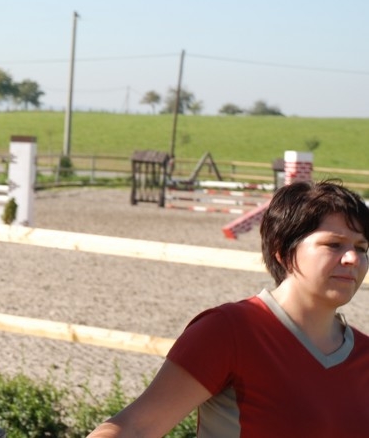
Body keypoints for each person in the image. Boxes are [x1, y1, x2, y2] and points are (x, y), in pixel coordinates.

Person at [87, 180, 369, 437]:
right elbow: (134, 427)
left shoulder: (364, 354)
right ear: (282, 251)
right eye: (333, 244)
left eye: (361, 248)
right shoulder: (229, 331)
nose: (353, 259)